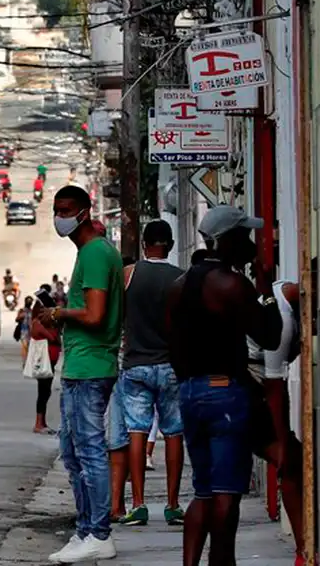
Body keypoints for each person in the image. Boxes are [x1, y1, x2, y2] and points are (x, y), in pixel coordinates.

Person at [167, 206, 282, 566]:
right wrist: (267, 291)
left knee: (203, 491)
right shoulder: (231, 284)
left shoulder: (179, 287)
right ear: (226, 241)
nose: (250, 243)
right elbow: (270, 336)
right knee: (226, 495)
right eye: (243, 236)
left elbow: (171, 341)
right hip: (225, 394)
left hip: (189, 392)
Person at [38, 185, 123, 563]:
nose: (60, 217)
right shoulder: (92, 253)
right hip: (79, 365)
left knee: (89, 452)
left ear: (85, 212)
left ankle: (99, 533)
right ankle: (86, 529)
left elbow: (94, 315)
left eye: (67, 209)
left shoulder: (94, 254)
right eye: (56, 210)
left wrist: (58, 313)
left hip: (91, 367)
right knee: (72, 454)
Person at [114, 220, 186, 527]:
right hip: (170, 365)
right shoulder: (182, 279)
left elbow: (117, 314)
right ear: (169, 245)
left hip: (135, 366)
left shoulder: (128, 275)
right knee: (173, 433)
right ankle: (172, 504)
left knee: (137, 433)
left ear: (144, 244)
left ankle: (139, 504)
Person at [245, 263, 315, 563]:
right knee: (290, 463)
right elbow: (276, 387)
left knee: (295, 463)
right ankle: (303, 548)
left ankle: (305, 547)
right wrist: (282, 439)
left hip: (254, 386)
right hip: (249, 390)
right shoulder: (282, 317)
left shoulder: (288, 296)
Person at [30, 286, 60, 435]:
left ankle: (42, 422)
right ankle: (38, 423)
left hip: (50, 361)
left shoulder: (43, 323)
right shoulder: (39, 324)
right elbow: (53, 338)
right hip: (44, 362)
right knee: (43, 392)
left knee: (45, 392)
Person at [15, 295, 34, 362]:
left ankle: (29, 361)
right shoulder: (21, 310)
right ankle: (25, 361)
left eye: (30, 301)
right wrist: (20, 317)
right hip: (23, 331)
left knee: (30, 347)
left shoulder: (33, 311)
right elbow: (16, 319)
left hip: (31, 332)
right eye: (28, 301)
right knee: (24, 346)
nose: (29, 302)